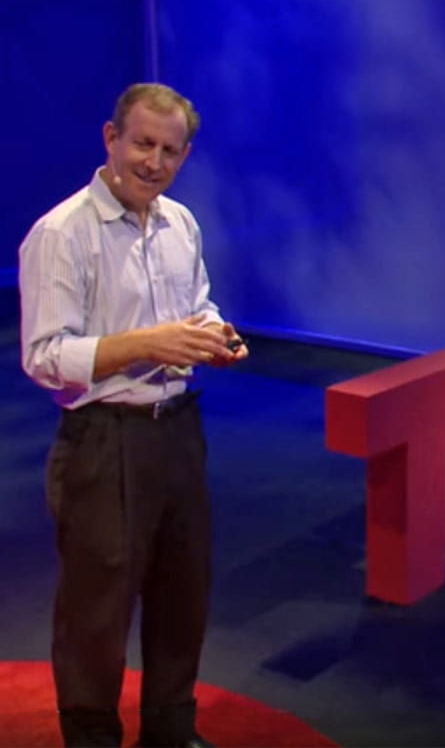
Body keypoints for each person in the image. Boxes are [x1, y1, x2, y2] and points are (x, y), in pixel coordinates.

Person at [18, 83, 248, 748]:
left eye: (170, 151)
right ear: (110, 139)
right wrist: (149, 343)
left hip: (178, 430)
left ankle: (171, 732)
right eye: (143, 143)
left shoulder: (181, 223)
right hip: (102, 443)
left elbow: (197, 306)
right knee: (98, 612)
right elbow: (43, 356)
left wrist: (216, 338)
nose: (155, 161)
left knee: (183, 595)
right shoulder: (62, 234)